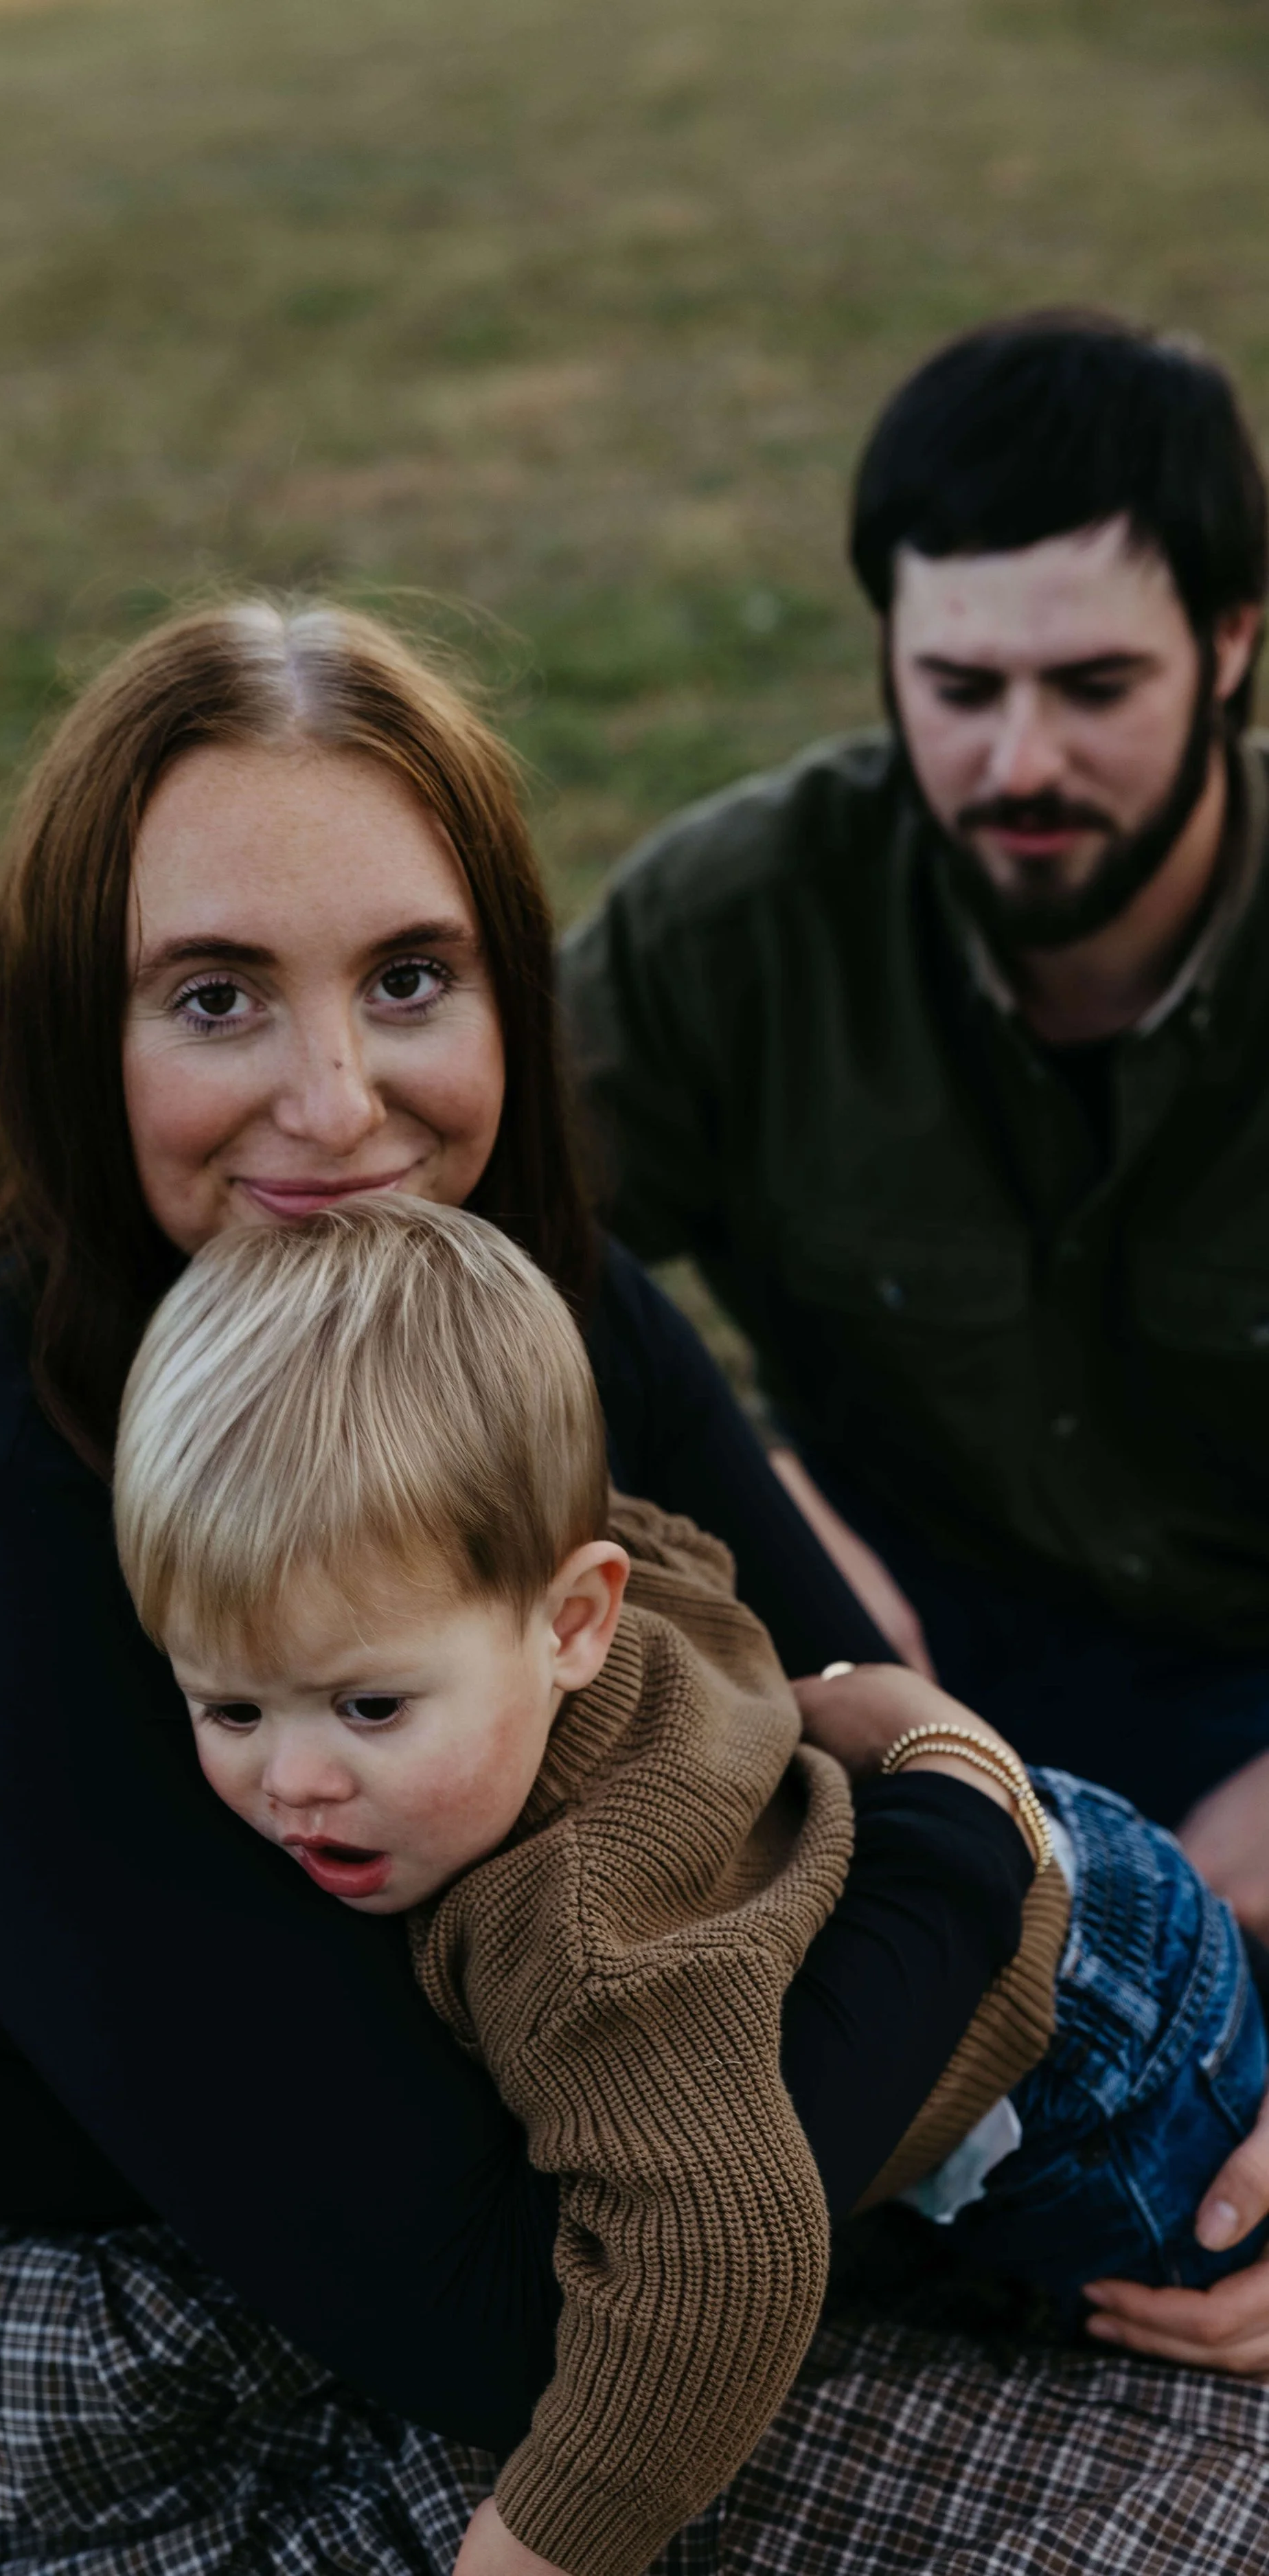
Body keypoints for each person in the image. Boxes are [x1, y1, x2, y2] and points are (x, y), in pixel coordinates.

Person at [0, 602, 1049, 2570]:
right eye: (216, 995)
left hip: (619, 2168)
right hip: (128, 2368)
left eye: (410, 976)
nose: (340, 1105)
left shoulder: (515, 1286)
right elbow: (506, 2317)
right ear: (77, 1034)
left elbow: (828, 1671)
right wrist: (971, 1853)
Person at [113, 1190, 1268, 2576]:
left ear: (571, 1622)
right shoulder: (578, 1590)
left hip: (1101, 2076)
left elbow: (720, 2259)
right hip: (1068, 1878)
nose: (292, 1780)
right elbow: (693, 1564)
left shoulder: (582, 1928)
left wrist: (542, 2546)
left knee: (1201, 2333)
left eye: (366, 1709)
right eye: (230, 1711)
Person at [563, 315, 1269, 2375]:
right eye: (955, 686)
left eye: (1093, 686)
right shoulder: (735, 921)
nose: (1016, 760)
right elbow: (478, 1269)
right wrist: (776, 1549)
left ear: (1233, 641)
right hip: (874, 1662)